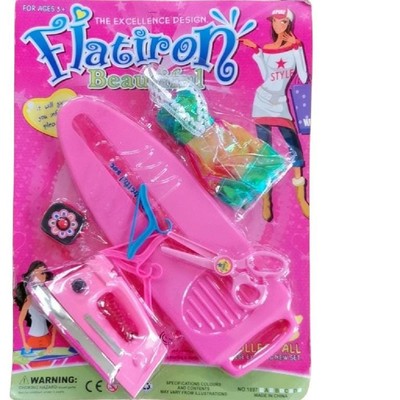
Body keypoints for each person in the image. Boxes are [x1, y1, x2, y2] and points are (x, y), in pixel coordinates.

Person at [241, 8, 309, 220]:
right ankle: (266, 200)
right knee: (265, 151)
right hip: (262, 101)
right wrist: (257, 52)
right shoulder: (268, 49)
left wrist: (297, 48)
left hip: (280, 104)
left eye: (282, 21)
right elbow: (266, 77)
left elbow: (303, 77)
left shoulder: (295, 46)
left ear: (288, 23)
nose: (277, 25)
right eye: (275, 21)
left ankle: (302, 198)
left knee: (293, 145)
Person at [13, 260, 56, 364]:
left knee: (47, 363)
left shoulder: (49, 297)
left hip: (46, 338)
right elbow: (20, 321)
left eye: (43, 273)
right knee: (33, 364)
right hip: (33, 339)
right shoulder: (29, 298)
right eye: (36, 273)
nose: (40, 276)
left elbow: (56, 323)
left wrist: (52, 343)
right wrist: (24, 342)